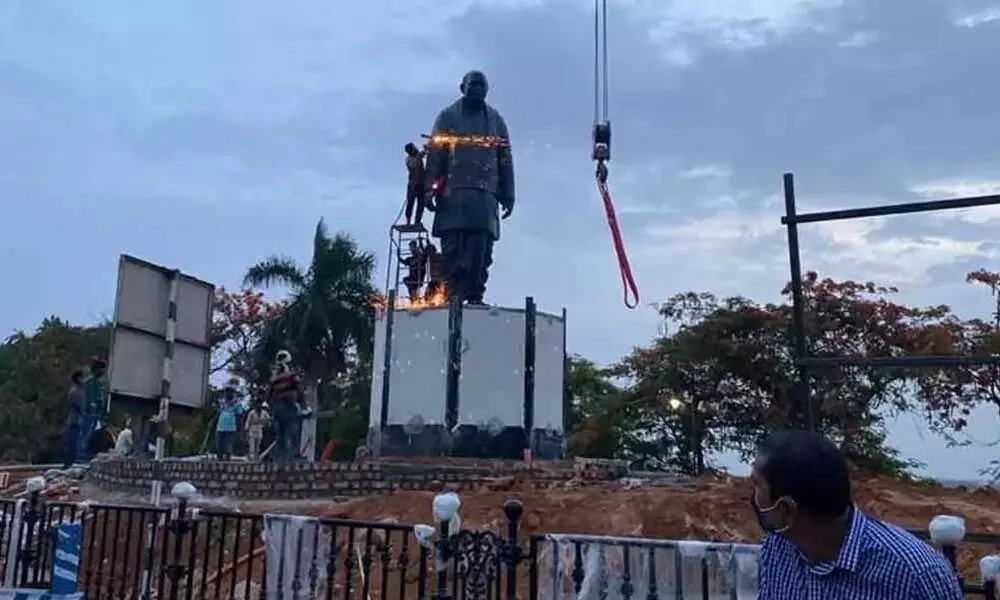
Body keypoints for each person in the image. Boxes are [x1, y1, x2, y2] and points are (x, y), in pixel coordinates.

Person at [753, 429, 963, 599]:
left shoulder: (917, 574)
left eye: (756, 485)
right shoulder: (778, 547)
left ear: (788, 509)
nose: (752, 496)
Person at [424, 70, 515, 305]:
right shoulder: (446, 117)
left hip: (485, 196)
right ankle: (453, 293)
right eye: (473, 84)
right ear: (462, 87)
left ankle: (475, 294)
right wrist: (428, 189)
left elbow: (505, 158)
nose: (478, 89)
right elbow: (435, 155)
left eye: (482, 85)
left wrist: (508, 193)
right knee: (453, 249)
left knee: (481, 250)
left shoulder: (496, 121)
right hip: (453, 194)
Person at [268, 350, 305, 460]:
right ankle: (292, 458)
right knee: (292, 433)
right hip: (289, 406)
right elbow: (300, 390)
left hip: (278, 408)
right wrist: (304, 406)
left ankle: (280, 459)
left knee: (281, 436)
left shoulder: (273, 379)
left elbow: (268, 395)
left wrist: (273, 408)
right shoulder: (291, 375)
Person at [79, 357, 108, 462]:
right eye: (101, 369)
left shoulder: (98, 383)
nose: (103, 372)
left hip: (95, 416)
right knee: (85, 437)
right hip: (89, 415)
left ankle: (87, 457)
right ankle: (81, 459)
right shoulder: (90, 383)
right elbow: (91, 401)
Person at [62, 371, 86, 469]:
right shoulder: (75, 392)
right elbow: (81, 407)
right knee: (72, 445)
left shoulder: (80, 391)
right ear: (77, 379)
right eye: (81, 378)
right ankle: (68, 465)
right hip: (74, 422)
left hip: (77, 422)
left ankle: (71, 464)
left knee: (75, 444)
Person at [215, 378, 243, 459]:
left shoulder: (237, 403)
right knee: (219, 446)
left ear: (233, 393)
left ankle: (227, 461)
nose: (227, 393)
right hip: (220, 427)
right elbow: (219, 412)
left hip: (230, 427)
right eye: (226, 391)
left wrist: (239, 429)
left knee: (228, 447)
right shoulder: (222, 402)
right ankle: (219, 462)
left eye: (229, 391)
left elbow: (239, 416)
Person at [404, 142, 427, 226]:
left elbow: (424, 153)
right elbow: (414, 164)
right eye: (414, 148)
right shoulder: (409, 159)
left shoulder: (418, 156)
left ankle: (417, 221)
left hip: (421, 184)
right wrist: (421, 154)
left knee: (421, 203)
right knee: (410, 202)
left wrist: (426, 149)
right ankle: (408, 221)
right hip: (413, 184)